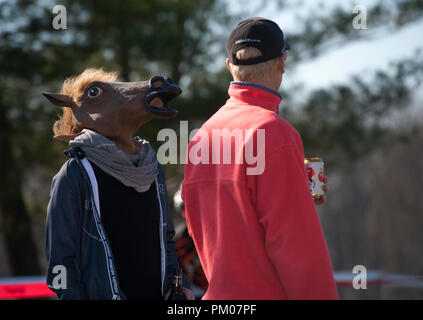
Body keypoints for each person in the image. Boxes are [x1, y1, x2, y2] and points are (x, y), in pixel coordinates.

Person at [182, 18, 338, 299]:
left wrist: (293, 187)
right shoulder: (274, 133)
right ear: (282, 62)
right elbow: (298, 249)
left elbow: (201, 228)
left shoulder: (200, 138)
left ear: (230, 67)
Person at [43, 68, 193, 300]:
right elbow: (60, 261)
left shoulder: (152, 169)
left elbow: (166, 238)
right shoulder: (74, 175)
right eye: (94, 93)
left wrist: (177, 287)